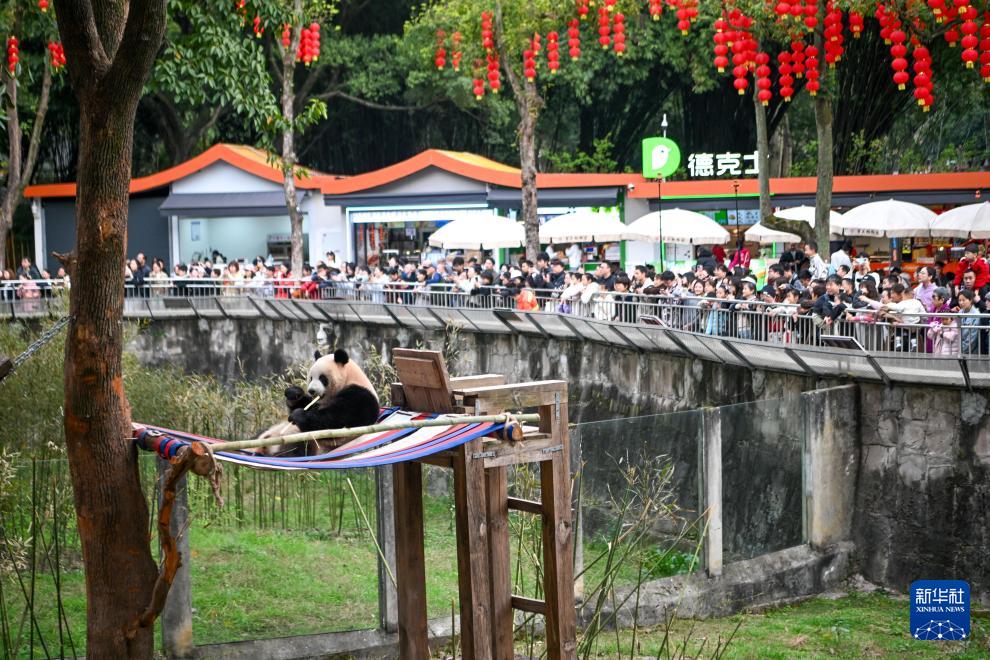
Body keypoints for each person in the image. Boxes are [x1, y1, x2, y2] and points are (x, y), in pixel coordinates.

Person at [926, 287, 959, 355]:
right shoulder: (932, 309)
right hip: (932, 341)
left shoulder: (947, 312)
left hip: (943, 345)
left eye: (934, 297)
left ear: (942, 300)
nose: (932, 300)